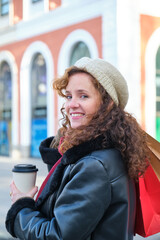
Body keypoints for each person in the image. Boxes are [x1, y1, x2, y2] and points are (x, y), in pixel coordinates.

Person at [6, 57, 148, 240]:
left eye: (83, 96)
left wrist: (21, 208)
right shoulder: (109, 151)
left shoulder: (94, 166)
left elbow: (57, 235)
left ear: (108, 104)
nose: (71, 104)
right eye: (69, 95)